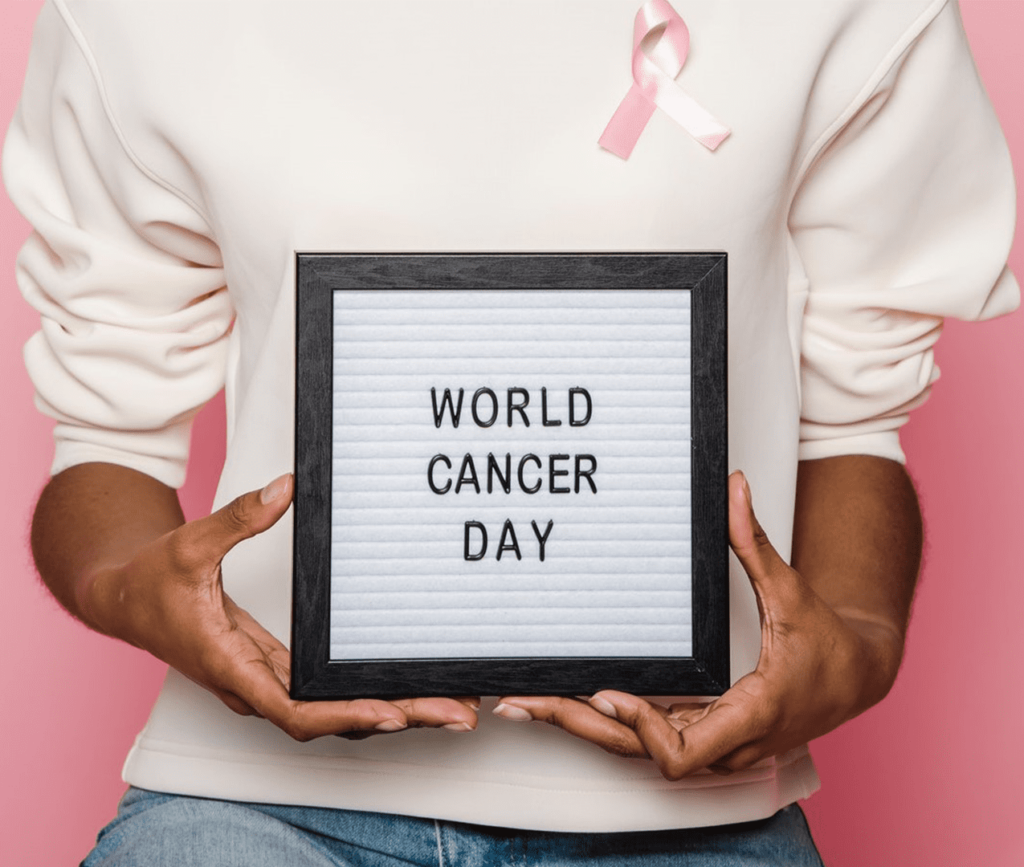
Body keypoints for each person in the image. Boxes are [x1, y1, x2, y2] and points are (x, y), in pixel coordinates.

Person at [3, 0, 1017, 864]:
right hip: (257, 807)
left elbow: (854, 411)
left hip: (690, 810)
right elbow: (109, 435)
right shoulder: (142, 17)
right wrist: (134, 586)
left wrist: (860, 646)